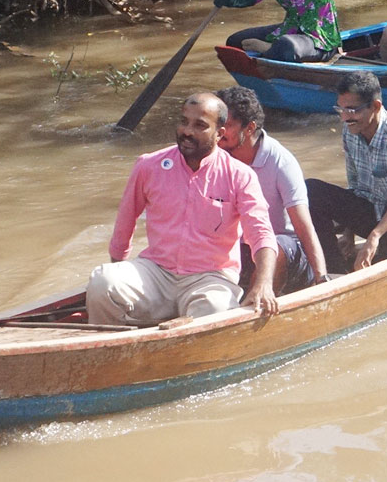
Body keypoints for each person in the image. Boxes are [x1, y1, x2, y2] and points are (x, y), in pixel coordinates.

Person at [87, 93, 279, 325]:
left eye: (200, 125)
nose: (187, 131)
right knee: (102, 282)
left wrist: (263, 284)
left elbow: (261, 234)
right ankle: (113, 353)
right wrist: (118, 274)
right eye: (184, 122)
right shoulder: (149, 165)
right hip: (156, 271)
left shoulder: (240, 176)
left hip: (210, 278)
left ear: (220, 134)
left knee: (216, 309)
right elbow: (126, 220)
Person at [306, 72, 387, 272]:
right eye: (341, 110)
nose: (345, 117)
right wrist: (348, 234)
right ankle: (332, 269)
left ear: (375, 106)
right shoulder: (350, 131)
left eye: (352, 110)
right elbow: (356, 188)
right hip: (376, 213)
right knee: (311, 190)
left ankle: (378, 269)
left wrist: (374, 236)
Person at [215, 86, 332, 293]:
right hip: (242, 248)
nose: (219, 132)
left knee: (273, 246)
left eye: (227, 125)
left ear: (249, 128)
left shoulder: (281, 161)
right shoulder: (216, 157)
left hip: (284, 250)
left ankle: (256, 302)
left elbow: (303, 227)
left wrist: (321, 277)